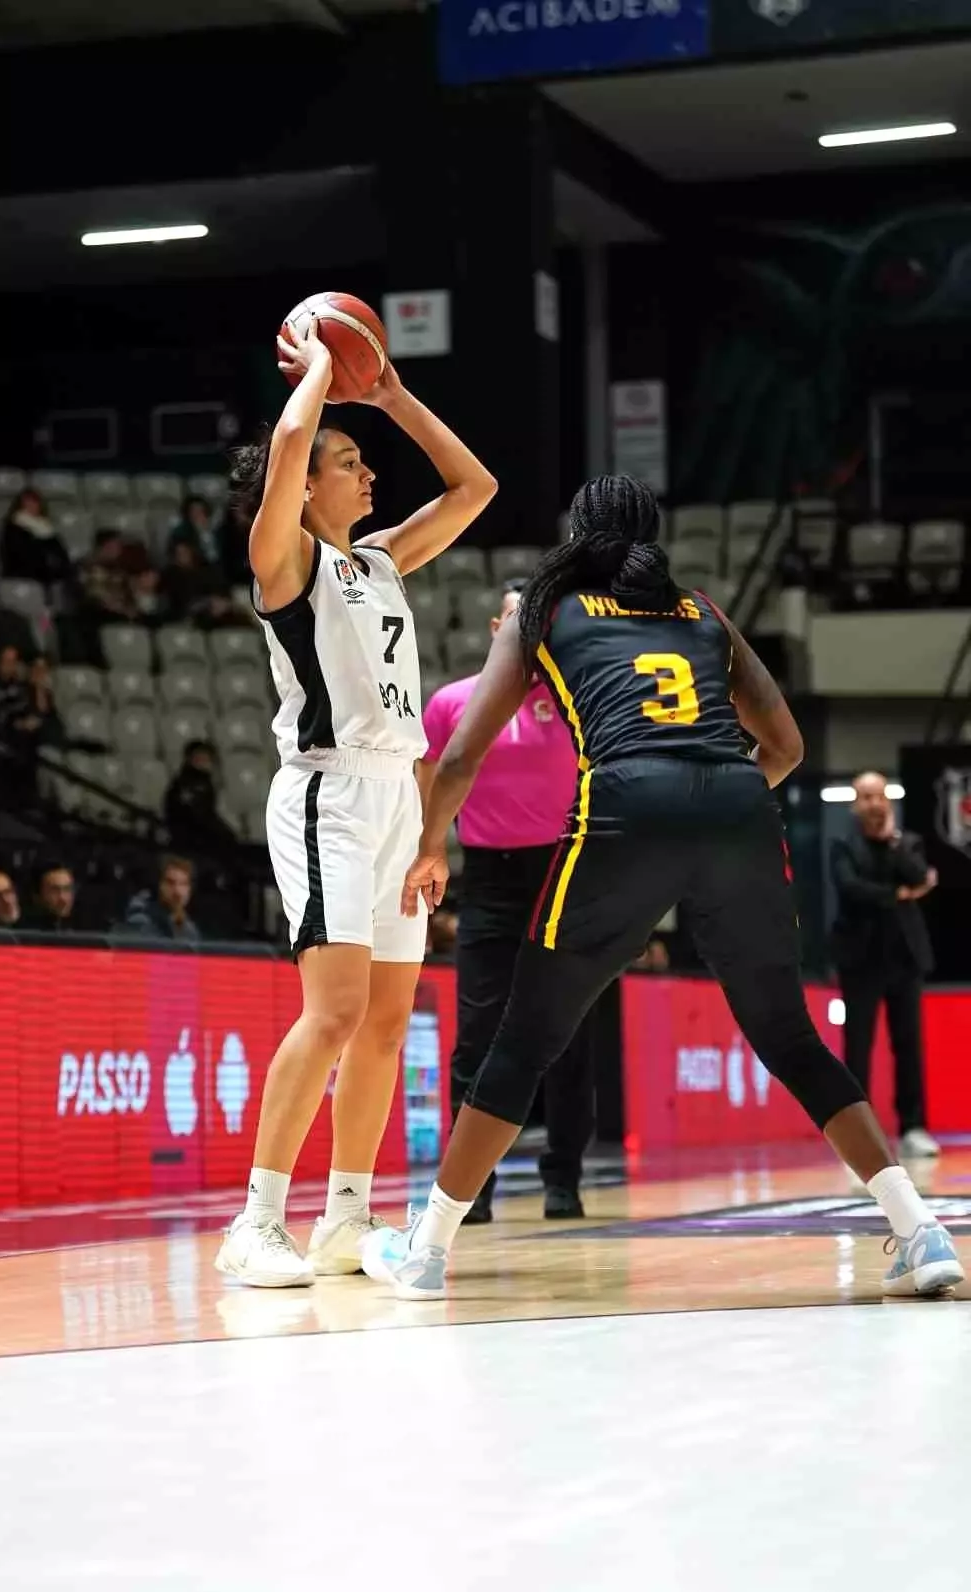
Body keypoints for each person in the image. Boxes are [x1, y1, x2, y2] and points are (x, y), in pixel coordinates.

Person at [363, 474, 963, 1301]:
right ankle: (919, 1230)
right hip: (738, 808)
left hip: (624, 808)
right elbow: (784, 746)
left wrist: (432, 844)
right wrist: (710, 808)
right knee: (790, 1037)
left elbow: (462, 752)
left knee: (525, 1038)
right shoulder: (701, 611)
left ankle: (425, 1250)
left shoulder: (545, 609)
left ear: (578, 535)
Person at [214, 314, 497, 1289]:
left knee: (385, 1023)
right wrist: (318, 371)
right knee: (333, 1011)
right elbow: (291, 440)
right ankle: (255, 1221)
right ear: (302, 484)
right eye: (350, 461)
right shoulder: (283, 559)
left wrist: (390, 397)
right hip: (326, 795)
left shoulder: (377, 560)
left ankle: (346, 1215)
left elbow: (475, 488)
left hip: (394, 802)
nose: (369, 473)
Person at [421, 576, 594, 1223]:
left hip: (563, 876)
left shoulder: (581, 704)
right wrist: (424, 856)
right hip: (488, 881)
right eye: (516, 621)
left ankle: (564, 1179)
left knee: (569, 1035)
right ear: (497, 630)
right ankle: (470, 1190)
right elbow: (426, 791)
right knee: (477, 1037)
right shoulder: (450, 704)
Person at [831, 773, 940, 1159]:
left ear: (888, 801)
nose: (874, 803)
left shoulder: (906, 842)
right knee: (858, 1047)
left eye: (879, 796)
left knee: (908, 1045)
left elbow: (921, 876)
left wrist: (891, 842)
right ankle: (860, 1134)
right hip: (860, 961)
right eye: (866, 797)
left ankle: (913, 1127)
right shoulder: (843, 845)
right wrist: (897, 894)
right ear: (855, 804)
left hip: (904, 959)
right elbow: (850, 889)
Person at [118, 855, 202, 941]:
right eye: (170, 883)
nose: (177, 891)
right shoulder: (140, 918)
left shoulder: (189, 929)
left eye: (183, 884)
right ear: (159, 885)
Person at [0, 489, 72, 588]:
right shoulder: (13, 527)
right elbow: (19, 555)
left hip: (48, 573)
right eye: (27, 502)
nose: (31, 506)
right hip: (23, 574)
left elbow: (60, 553)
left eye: (34, 502)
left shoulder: (47, 527)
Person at [25, 862, 78, 933]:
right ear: (37, 895)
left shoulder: (84, 928)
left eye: (67, 889)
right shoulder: (24, 933)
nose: (63, 898)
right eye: (54, 891)